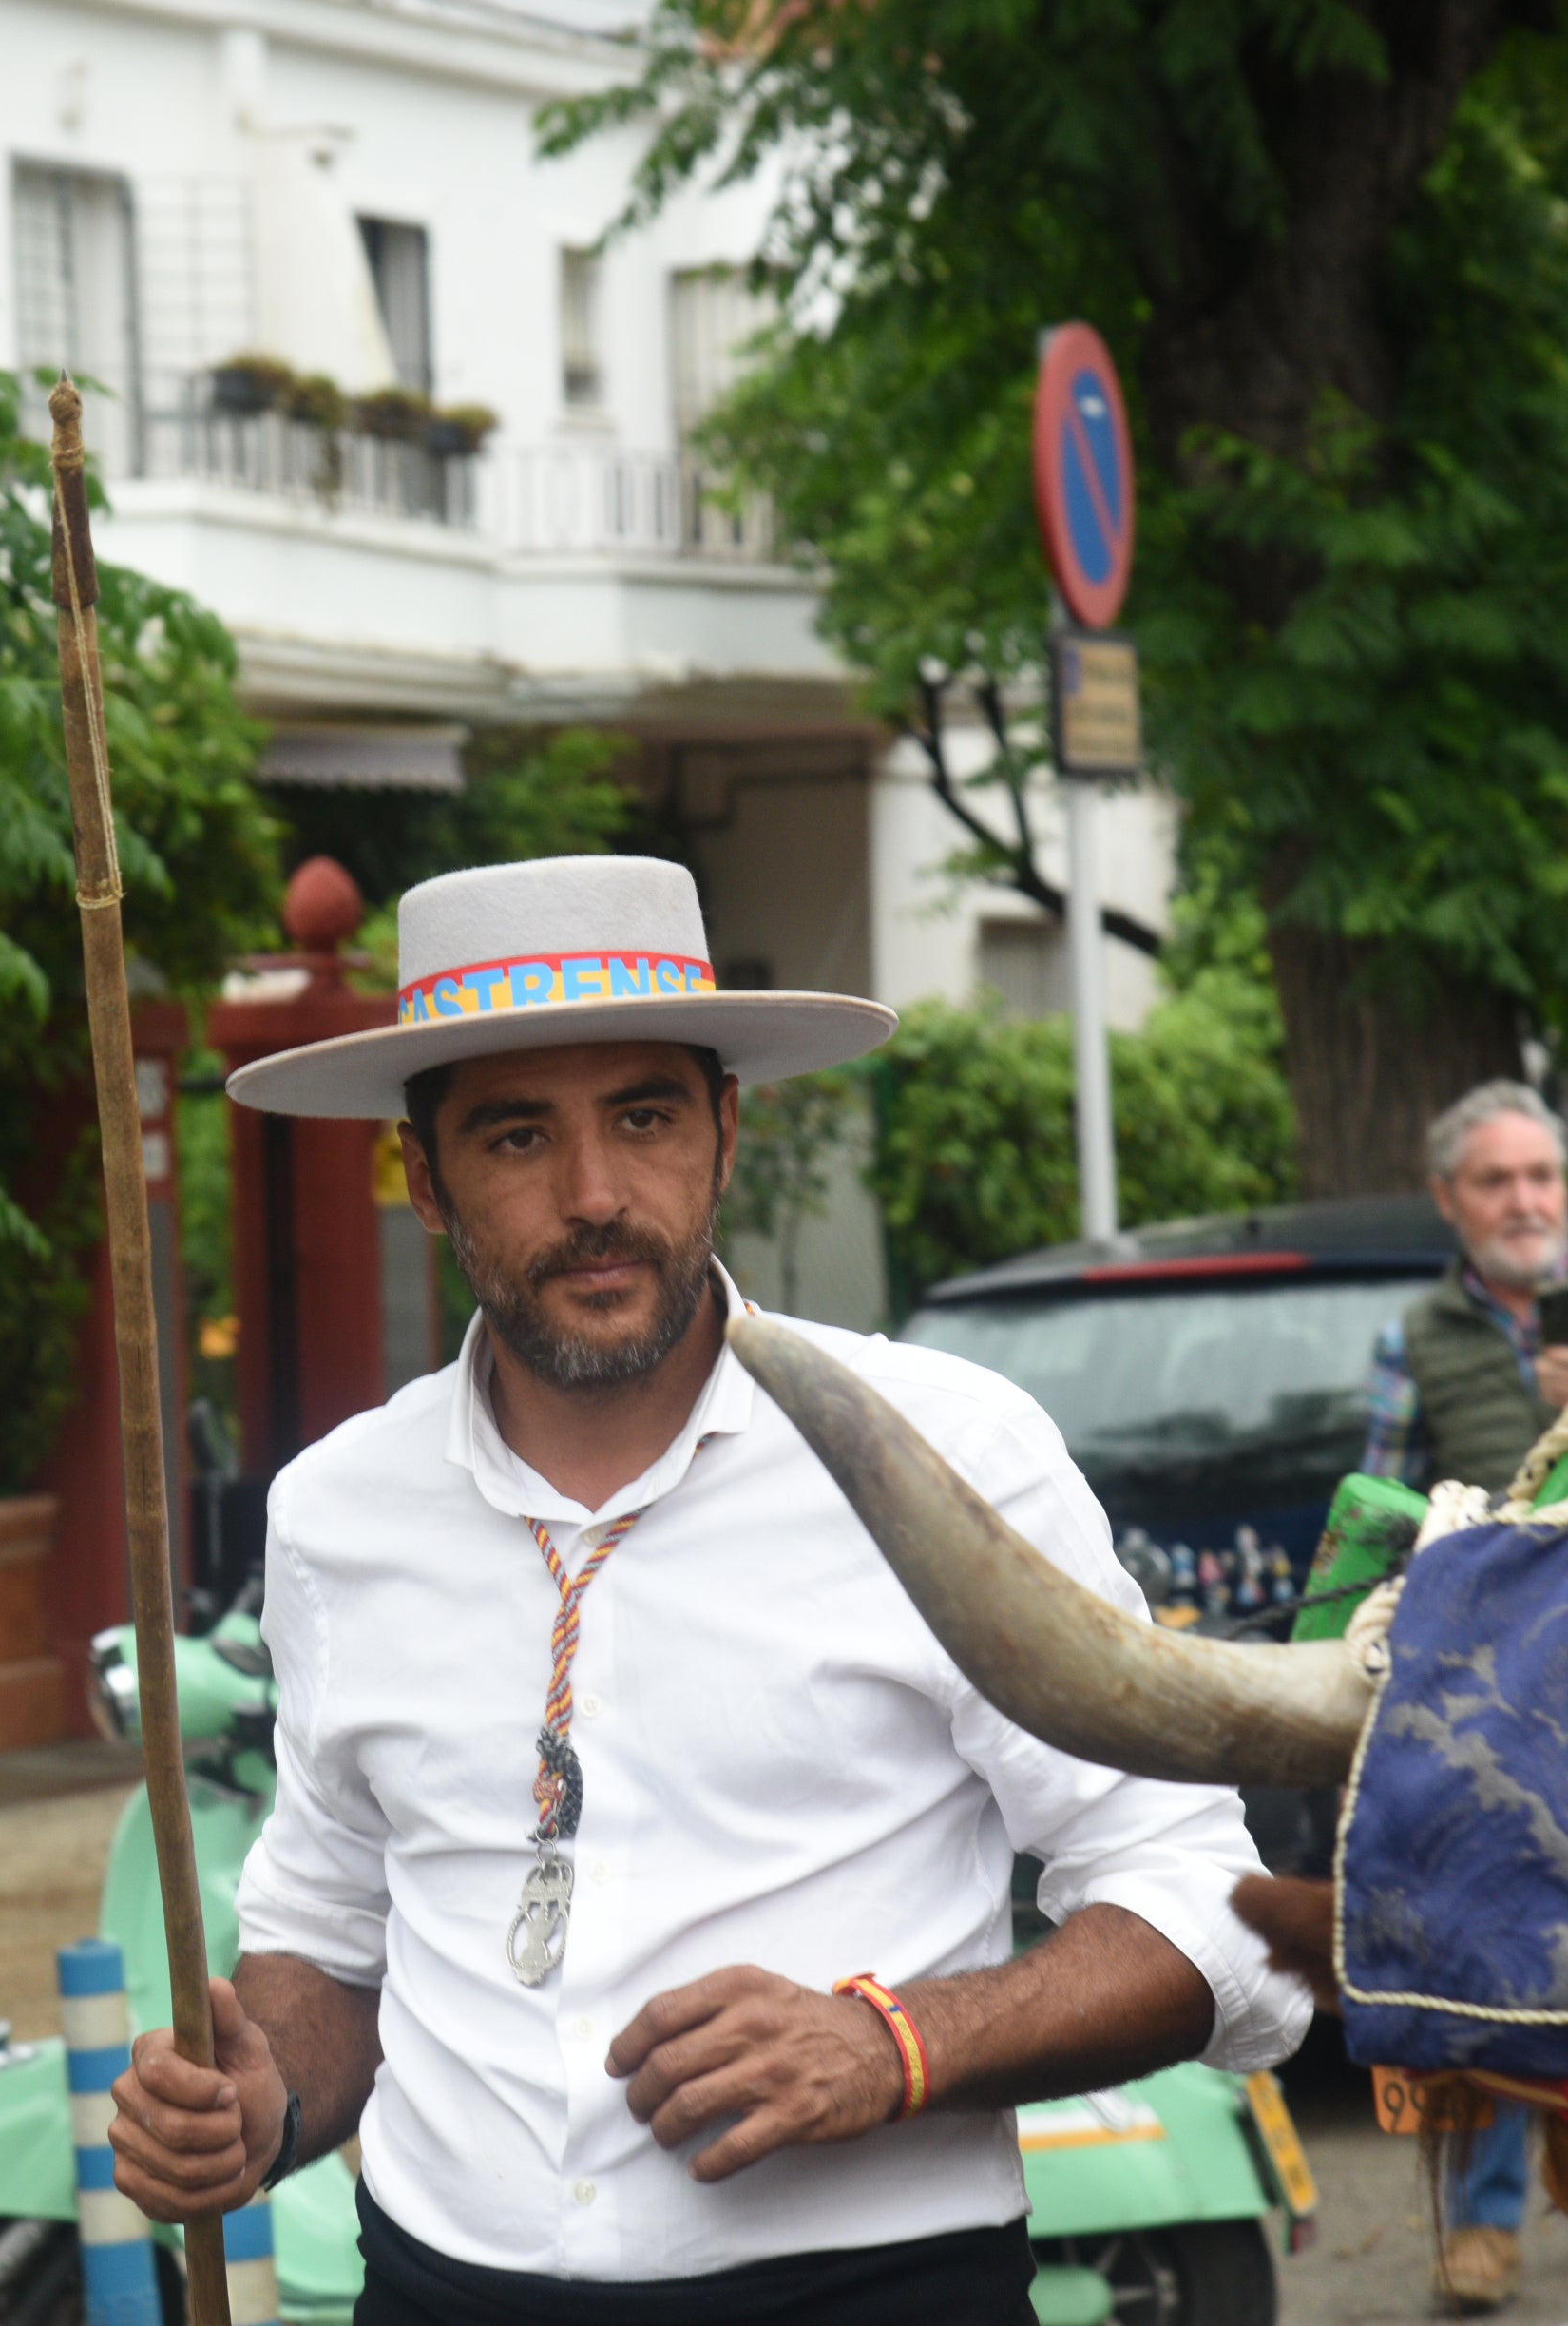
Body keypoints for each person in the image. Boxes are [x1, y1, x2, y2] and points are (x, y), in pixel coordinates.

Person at [108, 855, 1308, 2325]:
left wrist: (895, 2044)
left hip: (872, 2296)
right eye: (514, 1135)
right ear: (423, 1177)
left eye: (646, 1116)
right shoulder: (337, 1511)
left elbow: (1208, 1901)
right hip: (437, 2296)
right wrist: (262, 2099)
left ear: (726, 1130)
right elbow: (332, 1934)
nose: (595, 1194)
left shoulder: (948, 1455)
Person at [1361, 1079, 1568, 2316]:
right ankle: (1485, 2220)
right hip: (1491, 1687)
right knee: (1498, 1947)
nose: (1524, 1202)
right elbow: (1384, 1502)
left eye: (1541, 1176)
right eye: (1495, 1181)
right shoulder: (1414, 1337)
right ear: (1451, 1199)